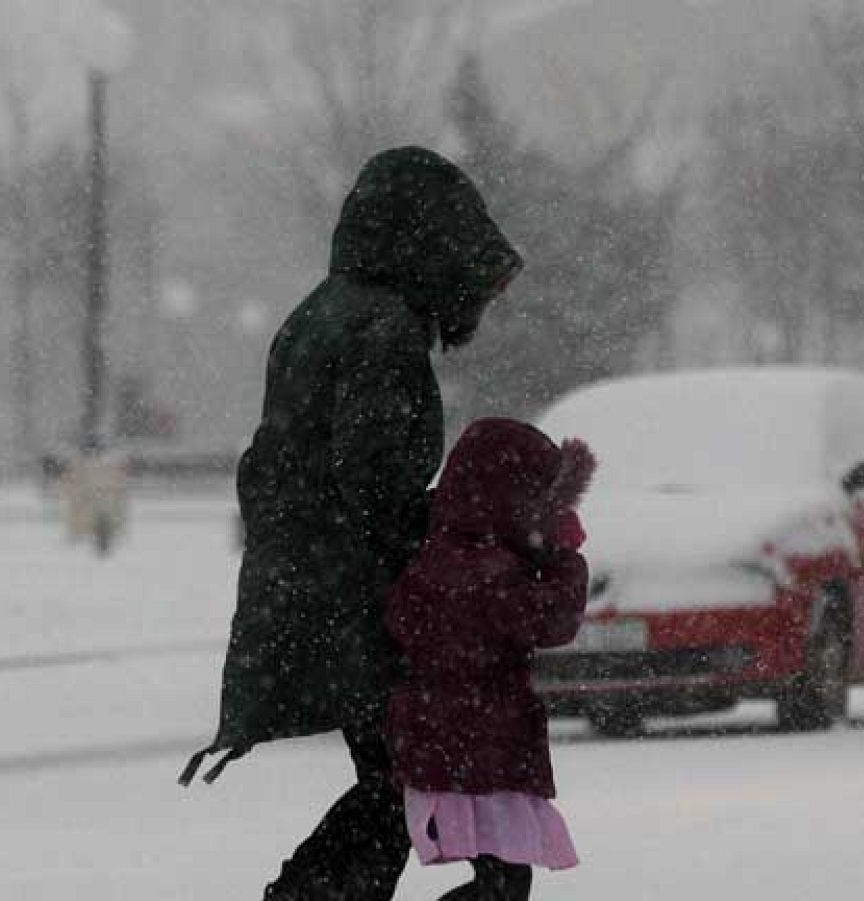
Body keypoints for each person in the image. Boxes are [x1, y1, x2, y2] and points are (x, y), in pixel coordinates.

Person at [179, 146, 523, 901]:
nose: (475, 304)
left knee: (398, 781)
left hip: (310, 598)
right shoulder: (386, 328)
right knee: (408, 779)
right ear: (427, 251)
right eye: (471, 278)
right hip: (360, 606)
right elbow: (374, 489)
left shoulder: (317, 316)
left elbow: (280, 469)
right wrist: (458, 532)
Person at [385, 419, 594, 901]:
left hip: (454, 747)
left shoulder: (443, 554)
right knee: (503, 885)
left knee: (501, 881)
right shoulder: (487, 570)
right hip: (481, 754)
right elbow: (552, 621)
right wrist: (564, 558)